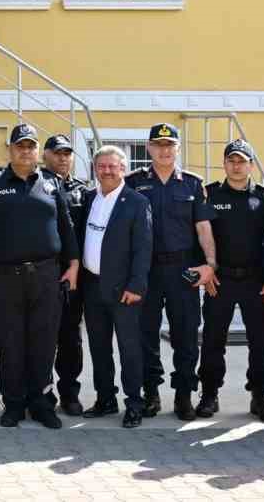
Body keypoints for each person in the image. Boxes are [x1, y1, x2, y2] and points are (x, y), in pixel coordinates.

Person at [0, 123, 80, 429]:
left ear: (38, 152)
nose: (26, 151)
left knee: (44, 342)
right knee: (10, 342)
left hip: (47, 275)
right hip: (5, 276)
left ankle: (41, 403)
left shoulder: (50, 182)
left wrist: (72, 264)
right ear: (10, 149)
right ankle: (14, 404)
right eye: (20, 145)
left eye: (31, 146)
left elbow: (66, 225)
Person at [125, 122, 216, 421]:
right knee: (145, 334)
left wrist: (211, 265)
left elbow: (203, 227)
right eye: (158, 145)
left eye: (170, 145)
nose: (164, 150)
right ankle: (151, 393)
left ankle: (184, 394)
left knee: (186, 334)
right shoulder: (133, 182)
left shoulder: (192, 183)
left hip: (183, 269)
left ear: (178, 148)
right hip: (146, 269)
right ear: (149, 148)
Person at [196, 139, 264, 422]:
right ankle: (209, 394)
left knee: (260, 341)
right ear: (225, 163)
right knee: (213, 340)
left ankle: (260, 395)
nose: (236, 165)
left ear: (251, 165)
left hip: (256, 281)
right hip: (221, 280)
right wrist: (206, 272)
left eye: (242, 161)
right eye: (231, 160)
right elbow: (200, 236)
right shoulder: (209, 195)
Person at [77, 145, 152, 427]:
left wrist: (136, 285)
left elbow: (143, 249)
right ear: (95, 170)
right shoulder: (89, 198)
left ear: (123, 169)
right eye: (101, 166)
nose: (107, 171)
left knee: (129, 348)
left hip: (124, 289)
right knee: (99, 346)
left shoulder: (136, 202)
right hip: (93, 285)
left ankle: (134, 402)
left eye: (112, 166)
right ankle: (105, 398)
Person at [43, 133, 90, 416]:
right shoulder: (37, 185)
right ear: (45, 155)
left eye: (67, 153)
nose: (63, 158)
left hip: (73, 277)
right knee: (42, 338)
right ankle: (43, 393)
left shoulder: (82, 191)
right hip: (43, 273)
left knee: (70, 338)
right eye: (57, 152)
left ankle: (70, 393)